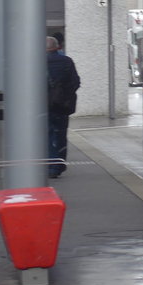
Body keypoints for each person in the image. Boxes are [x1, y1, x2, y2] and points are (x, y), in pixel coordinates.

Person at [46, 35, 80, 179]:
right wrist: (65, 94)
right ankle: (59, 163)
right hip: (62, 105)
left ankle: (51, 165)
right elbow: (76, 82)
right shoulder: (67, 61)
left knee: (48, 134)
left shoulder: (37, 62)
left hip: (45, 105)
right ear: (57, 47)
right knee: (61, 134)